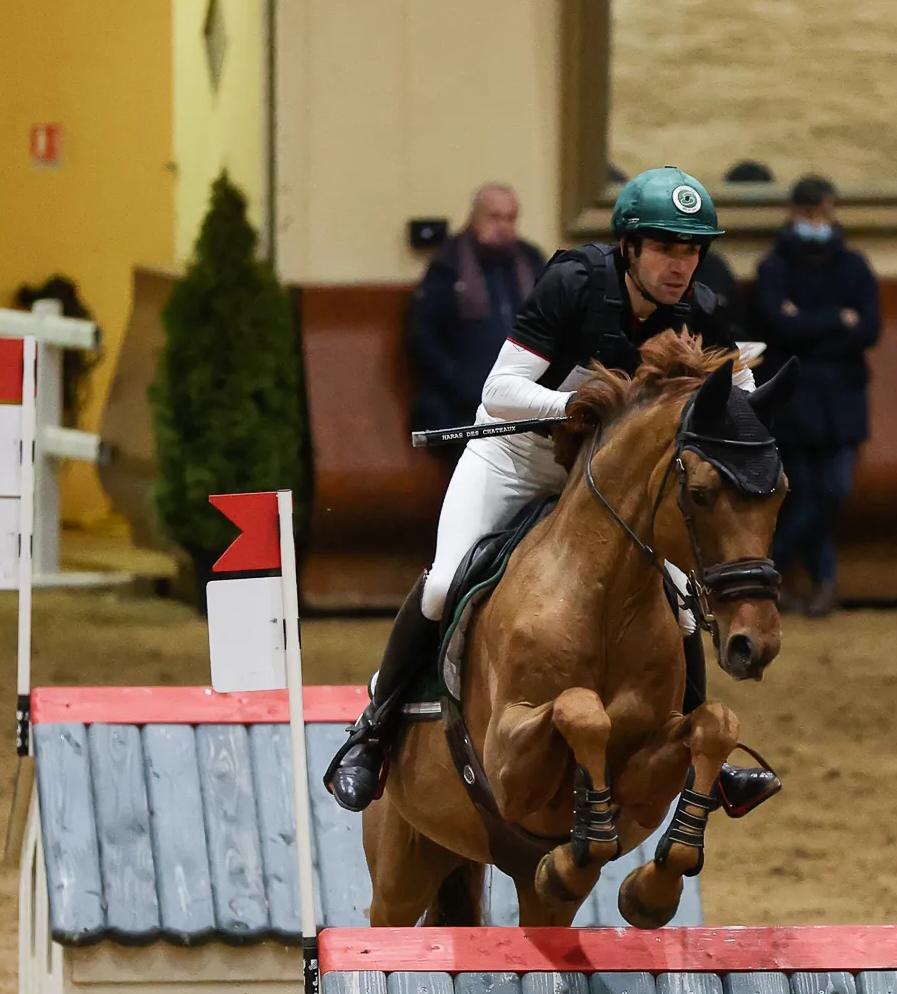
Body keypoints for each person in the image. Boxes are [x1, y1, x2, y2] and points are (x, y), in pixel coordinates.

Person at [326, 165, 766, 812]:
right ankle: (372, 732)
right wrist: (577, 408)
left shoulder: (695, 309)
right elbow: (500, 389)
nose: (680, 266)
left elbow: (738, 385)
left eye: (692, 250)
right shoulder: (575, 284)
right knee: (445, 583)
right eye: (665, 248)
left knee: (675, 602)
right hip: (515, 457)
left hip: (602, 480)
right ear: (628, 246)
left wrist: (744, 406)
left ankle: (701, 750)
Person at [750, 175, 881, 616]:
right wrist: (839, 320)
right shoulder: (774, 267)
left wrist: (806, 322)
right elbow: (778, 326)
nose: (815, 220)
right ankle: (823, 584)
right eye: (808, 212)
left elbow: (870, 328)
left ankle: (770, 570)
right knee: (804, 492)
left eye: (821, 212)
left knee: (833, 490)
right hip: (795, 402)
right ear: (793, 213)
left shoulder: (854, 265)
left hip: (843, 402)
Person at [406, 184, 545, 440]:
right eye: (495, 217)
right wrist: (461, 385)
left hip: (524, 398)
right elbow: (423, 339)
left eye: (510, 218)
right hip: (461, 405)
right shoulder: (447, 264)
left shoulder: (530, 261)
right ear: (474, 218)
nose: (504, 226)